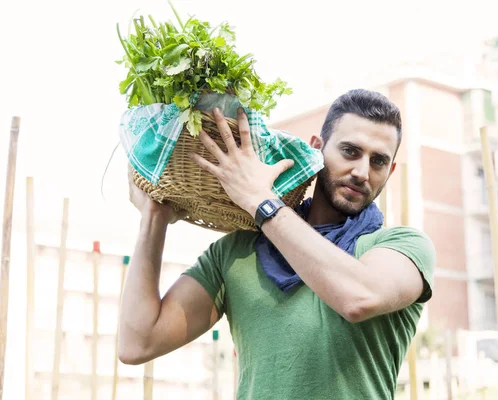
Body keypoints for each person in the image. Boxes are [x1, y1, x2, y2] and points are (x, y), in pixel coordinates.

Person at [119, 88, 436, 399]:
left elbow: (358, 298)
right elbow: (138, 343)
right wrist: (154, 216)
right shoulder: (237, 252)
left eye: (378, 161)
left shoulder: (402, 247)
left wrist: (261, 201)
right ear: (317, 149)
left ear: (391, 170)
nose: (362, 172)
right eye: (350, 152)